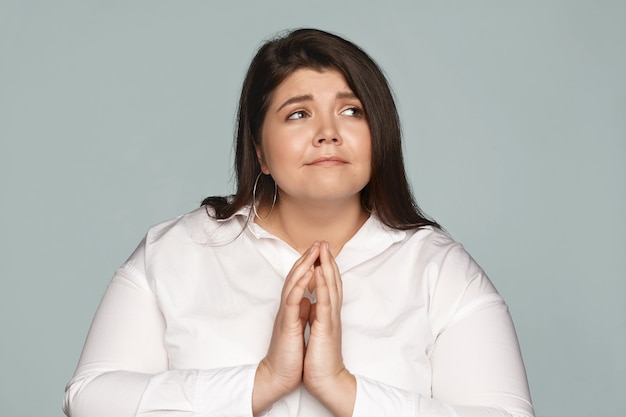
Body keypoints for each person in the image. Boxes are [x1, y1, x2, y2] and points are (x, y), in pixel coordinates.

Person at [63, 28, 535, 417]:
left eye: (352, 111)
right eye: (299, 114)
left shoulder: (440, 271)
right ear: (259, 150)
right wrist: (261, 382)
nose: (328, 132)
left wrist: (345, 391)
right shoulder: (175, 252)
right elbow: (88, 399)